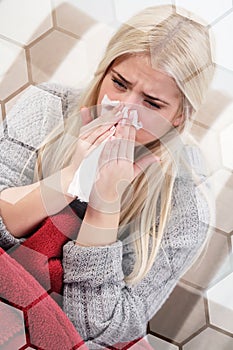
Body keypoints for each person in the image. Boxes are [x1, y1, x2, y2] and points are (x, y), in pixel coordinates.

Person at [0, 4, 215, 349]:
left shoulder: (186, 211)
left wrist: (104, 206)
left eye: (153, 103)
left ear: (179, 116)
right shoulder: (46, 107)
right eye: (118, 83)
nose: (125, 110)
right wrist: (69, 179)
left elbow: (104, 329)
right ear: (103, 73)